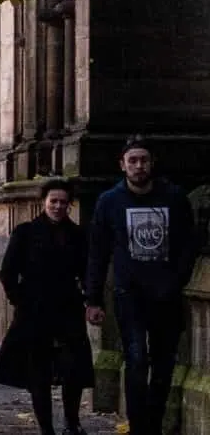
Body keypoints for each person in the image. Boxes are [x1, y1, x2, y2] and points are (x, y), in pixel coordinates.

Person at [85, 139, 196, 435]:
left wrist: (176, 281)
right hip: (129, 294)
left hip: (166, 294)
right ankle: (138, 426)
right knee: (135, 360)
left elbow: (188, 246)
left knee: (163, 365)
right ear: (122, 165)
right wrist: (93, 299)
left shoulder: (173, 197)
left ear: (152, 163)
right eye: (132, 160)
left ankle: (154, 425)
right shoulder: (109, 201)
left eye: (143, 160)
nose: (138, 166)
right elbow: (98, 252)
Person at [0, 179, 93, 435]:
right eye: (53, 201)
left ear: (69, 205)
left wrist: (90, 299)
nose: (58, 206)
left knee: (73, 367)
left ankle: (72, 421)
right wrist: (19, 299)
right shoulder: (26, 232)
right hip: (34, 309)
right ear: (43, 202)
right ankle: (46, 427)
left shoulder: (78, 234)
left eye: (63, 202)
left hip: (68, 307)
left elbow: (87, 271)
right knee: (38, 372)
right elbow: (7, 272)